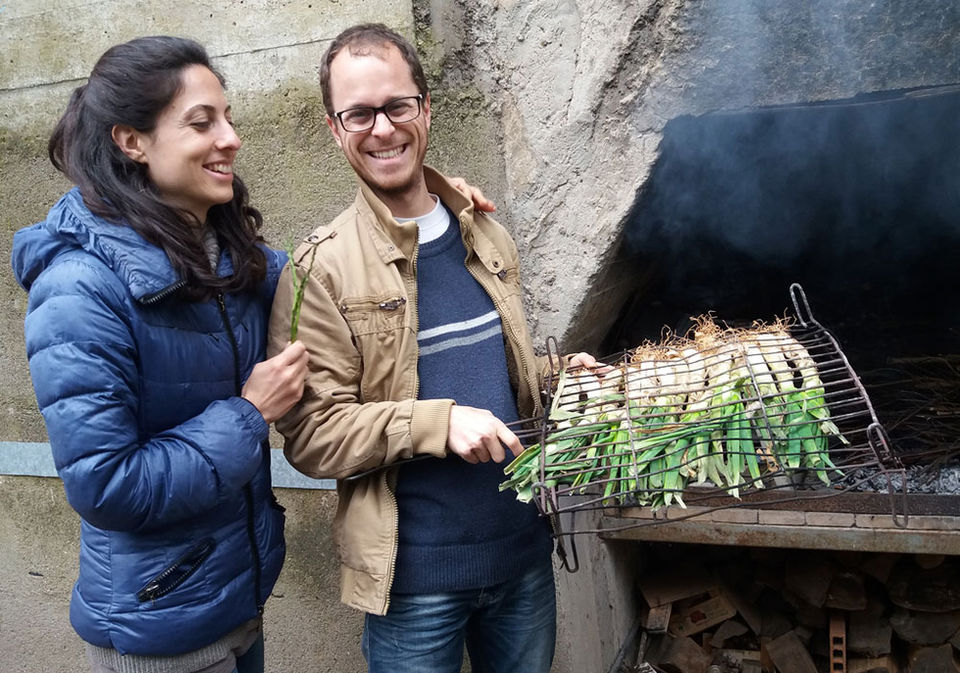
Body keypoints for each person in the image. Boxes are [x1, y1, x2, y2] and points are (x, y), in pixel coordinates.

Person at [267, 23, 601, 673]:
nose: (382, 129)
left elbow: (490, 369)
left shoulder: (485, 230)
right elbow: (310, 434)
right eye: (358, 113)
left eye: (396, 106)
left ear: (426, 108)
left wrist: (559, 375)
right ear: (334, 128)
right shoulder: (318, 270)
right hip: (414, 584)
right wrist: (437, 422)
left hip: (524, 556)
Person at [9, 36, 309, 673]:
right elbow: (107, 486)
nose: (230, 138)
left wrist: (427, 206)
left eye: (228, 118)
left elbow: (318, 274)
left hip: (235, 601)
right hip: (162, 633)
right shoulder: (79, 291)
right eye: (202, 122)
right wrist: (249, 414)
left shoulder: (222, 256)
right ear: (131, 141)